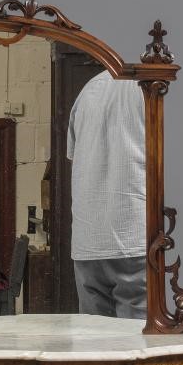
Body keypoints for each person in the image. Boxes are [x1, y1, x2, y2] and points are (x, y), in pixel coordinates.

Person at [67, 72, 146, 318]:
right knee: (138, 345)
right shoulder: (153, 86)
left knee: (95, 347)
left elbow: (74, 155)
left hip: (87, 240)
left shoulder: (89, 89)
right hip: (133, 234)